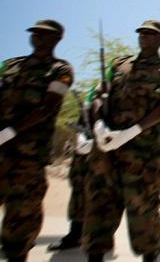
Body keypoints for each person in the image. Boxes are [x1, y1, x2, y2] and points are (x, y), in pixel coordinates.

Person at [82, 20, 160, 262]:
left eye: (151, 34)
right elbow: (99, 95)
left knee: (144, 206)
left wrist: (133, 131)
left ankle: (148, 255)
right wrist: (98, 124)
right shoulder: (118, 64)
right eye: (142, 33)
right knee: (99, 203)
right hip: (108, 148)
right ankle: (95, 253)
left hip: (143, 151)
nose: (145, 37)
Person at [0, 20, 74, 262]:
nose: (40, 38)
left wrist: (11, 131)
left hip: (29, 154)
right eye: (37, 34)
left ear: (57, 39)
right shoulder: (11, 65)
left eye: (47, 35)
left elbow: (47, 107)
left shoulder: (60, 70)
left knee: (21, 217)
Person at [47, 86, 96, 252]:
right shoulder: (95, 92)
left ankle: (100, 237)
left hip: (103, 151)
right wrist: (82, 137)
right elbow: (85, 117)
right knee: (78, 192)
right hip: (84, 153)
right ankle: (75, 233)